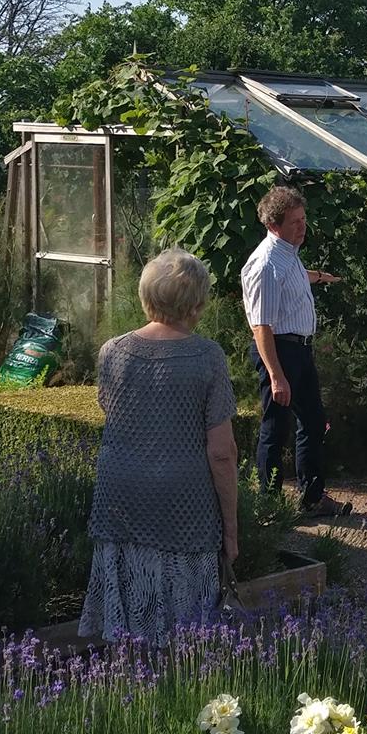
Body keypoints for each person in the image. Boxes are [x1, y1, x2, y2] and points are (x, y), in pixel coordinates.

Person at [79, 249, 240, 643]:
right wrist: (231, 531)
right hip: (183, 504)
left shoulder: (112, 351)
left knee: (126, 630)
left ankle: (127, 689)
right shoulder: (208, 357)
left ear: (145, 296)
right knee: (184, 636)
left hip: (120, 498)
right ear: (197, 304)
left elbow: (113, 409)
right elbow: (222, 452)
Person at [241, 186, 352, 518]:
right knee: (275, 428)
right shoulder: (265, 264)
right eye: (295, 222)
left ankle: (312, 497)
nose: (303, 227)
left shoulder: (286, 253)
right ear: (274, 225)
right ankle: (268, 505)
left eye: (304, 220)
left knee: (314, 423)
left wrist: (317, 277)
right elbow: (261, 326)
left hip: (299, 351)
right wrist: (276, 375)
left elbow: (293, 276)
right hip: (279, 352)